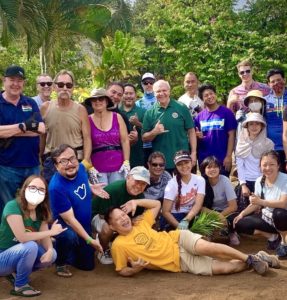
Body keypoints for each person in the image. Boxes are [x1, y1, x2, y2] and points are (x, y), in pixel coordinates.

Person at [105, 198, 280, 277]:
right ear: (112, 227)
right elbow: (121, 270)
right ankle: (259, 257)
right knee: (224, 269)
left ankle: (249, 259)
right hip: (179, 262)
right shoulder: (118, 246)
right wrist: (134, 269)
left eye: (123, 214)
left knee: (207, 247)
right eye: (118, 219)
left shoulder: (139, 222)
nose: (123, 219)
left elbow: (157, 204)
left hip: (177, 239)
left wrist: (136, 202)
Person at [0, 175, 66, 297]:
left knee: (52, 255)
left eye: (41, 189)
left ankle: (16, 273)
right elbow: (22, 237)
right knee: (30, 246)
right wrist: (51, 232)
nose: (37, 192)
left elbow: (45, 238)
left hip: (19, 252)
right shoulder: (13, 206)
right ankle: (20, 285)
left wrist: (50, 249)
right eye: (33, 187)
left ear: (45, 194)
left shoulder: (41, 210)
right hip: (2, 256)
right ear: (25, 189)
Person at [49, 144, 106, 277]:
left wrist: (91, 187)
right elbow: (70, 220)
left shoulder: (80, 168)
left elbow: (80, 182)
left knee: (87, 266)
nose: (70, 164)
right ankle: (60, 261)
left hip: (84, 224)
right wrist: (89, 240)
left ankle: (74, 248)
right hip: (67, 226)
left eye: (72, 158)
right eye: (63, 161)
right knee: (69, 236)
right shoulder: (56, 187)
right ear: (56, 166)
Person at [0, 65, 45, 216]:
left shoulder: (30, 103)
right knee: (9, 208)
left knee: (33, 206)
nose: (15, 84)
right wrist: (24, 126)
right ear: (4, 81)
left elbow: (41, 129)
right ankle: (11, 239)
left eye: (19, 80)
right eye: (12, 79)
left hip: (32, 165)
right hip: (7, 167)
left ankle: (32, 237)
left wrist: (8, 131)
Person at [40, 69, 92, 182]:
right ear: (54, 87)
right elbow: (42, 136)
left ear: (73, 88)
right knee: (53, 198)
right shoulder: (45, 107)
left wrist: (86, 161)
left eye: (68, 85)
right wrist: (40, 159)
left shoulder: (80, 110)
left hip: (76, 161)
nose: (64, 88)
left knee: (78, 197)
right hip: (52, 162)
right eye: (61, 84)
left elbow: (87, 137)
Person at [92, 166, 150, 264]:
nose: (139, 186)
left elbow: (138, 216)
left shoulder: (140, 196)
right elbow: (103, 216)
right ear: (128, 178)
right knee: (108, 228)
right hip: (98, 217)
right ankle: (102, 250)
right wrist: (126, 220)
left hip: (120, 218)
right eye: (137, 181)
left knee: (141, 221)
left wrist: (135, 219)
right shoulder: (113, 190)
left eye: (143, 184)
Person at [234, 150, 287, 257]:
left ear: (278, 165)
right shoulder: (259, 181)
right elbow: (255, 204)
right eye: (264, 165)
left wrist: (261, 202)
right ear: (260, 167)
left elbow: (283, 204)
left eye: (272, 164)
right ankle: (273, 237)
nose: (268, 168)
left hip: (284, 218)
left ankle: (284, 241)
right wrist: (241, 214)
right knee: (239, 223)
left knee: (279, 213)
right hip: (268, 217)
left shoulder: (285, 179)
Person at [142, 79, 197, 173]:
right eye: (158, 91)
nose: (161, 93)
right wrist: (154, 132)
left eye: (164, 90)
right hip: (161, 164)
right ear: (154, 93)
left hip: (182, 160)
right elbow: (144, 138)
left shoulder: (181, 107)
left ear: (169, 91)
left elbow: (191, 131)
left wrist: (193, 153)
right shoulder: (150, 113)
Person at [84, 88, 130, 185]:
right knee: (102, 198)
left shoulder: (117, 117)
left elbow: (125, 140)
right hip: (97, 167)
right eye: (94, 99)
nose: (97, 101)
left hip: (118, 165)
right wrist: (90, 167)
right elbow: (86, 143)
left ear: (106, 101)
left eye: (101, 99)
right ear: (91, 102)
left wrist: (126, 162)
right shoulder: (87, 120)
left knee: (117, 196)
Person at [195, 83, 237, 177]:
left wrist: (229, 156)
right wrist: (197, 136)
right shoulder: (199, 117)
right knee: (207, 189)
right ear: (202, 99)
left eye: (211, 93)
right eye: (206, 95)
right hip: (205, 160)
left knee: (222, 187)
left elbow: (231, 135)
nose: (210, 96)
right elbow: (195, 136)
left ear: (215, 94)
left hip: (222, 159)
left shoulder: (227, 113)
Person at [235, 113, 274, 212]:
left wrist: (264, 184)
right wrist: (243, 185)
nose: (254, 127)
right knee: (244, 215)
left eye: (257, 124)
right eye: (251, 124)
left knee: (263, 213)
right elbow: (240, 165)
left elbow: (270, 167)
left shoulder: (268, 144)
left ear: (262, 126)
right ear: (247, 126)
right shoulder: (241, 143)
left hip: (263, 182)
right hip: (246, 182)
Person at [200, 156, 239, 246]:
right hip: (210, 211)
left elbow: (233, 206)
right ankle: (208, 232)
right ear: (204, 170)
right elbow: (200, 207)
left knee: (234, 219)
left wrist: (220, 216)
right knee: (199, 219)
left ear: (220, 168)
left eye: (215, 167)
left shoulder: (225, 180)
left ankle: (231, 232)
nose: (212, 169)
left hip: (226, 211)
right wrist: (217, 217)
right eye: (209, 167)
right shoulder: (202, 182)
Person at [161, 151, 205, 231]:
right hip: (175, 216)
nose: (184, 166)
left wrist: (186, 220)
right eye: (179, 164)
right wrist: (179, 227)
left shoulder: (200, 180)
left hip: (191, 214)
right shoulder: (172, 184)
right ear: (176, 167)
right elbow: (165, 212)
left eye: (186, 162)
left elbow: (198, 204)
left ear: (191, 162)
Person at [265, 68, 287, 171]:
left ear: (284, 80)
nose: (276, 83)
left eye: (279, 80)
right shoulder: (264, 101)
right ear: (268, 84)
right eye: (273, 81)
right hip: (272, 149)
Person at [119, 83, 146, 168]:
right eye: (126, 93)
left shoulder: (143, 111)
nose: (128, 96)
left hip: (138, 156)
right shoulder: (116, 112)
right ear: (122, 95)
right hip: (119, 156)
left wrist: (138, 123)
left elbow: (150, 131)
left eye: (131, 93)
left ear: (135, 96)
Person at [136, 72, 157, 164]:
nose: (148, 85)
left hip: (157, 144)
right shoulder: (138, 103)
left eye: (151, 82)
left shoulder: (160, 100)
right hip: (143, 145)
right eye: (145, 83)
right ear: (142, 85)